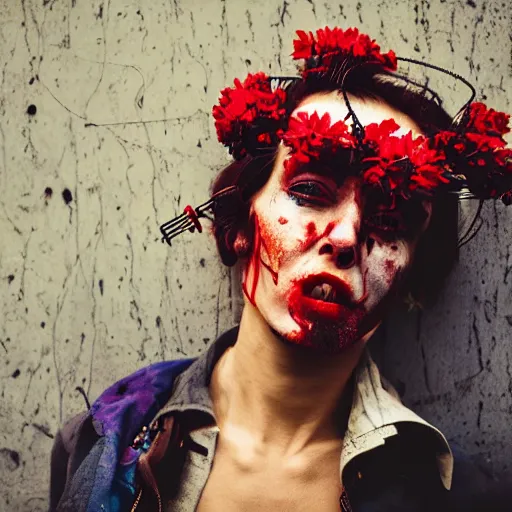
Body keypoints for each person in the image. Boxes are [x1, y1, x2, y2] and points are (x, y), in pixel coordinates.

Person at [49, 27, 511, 512]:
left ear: (412, 272)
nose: (346, 237)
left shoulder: (457, 498)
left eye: (391, 218)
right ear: (242, 222)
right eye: (310, 191)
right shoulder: (97, 446)